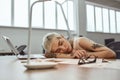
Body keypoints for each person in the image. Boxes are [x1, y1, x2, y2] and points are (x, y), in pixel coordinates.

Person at [42, 32, 116, 59]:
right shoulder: (64, 52)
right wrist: (71, 55)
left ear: (63, 36)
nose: (63, 49)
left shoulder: (80, 41)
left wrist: (83, 54)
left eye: (61, 43)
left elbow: (111, 53)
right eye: (58, 50)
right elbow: (47, 54)